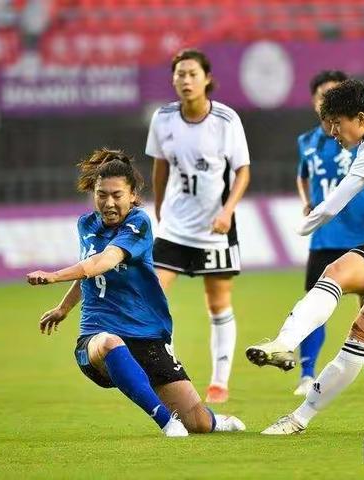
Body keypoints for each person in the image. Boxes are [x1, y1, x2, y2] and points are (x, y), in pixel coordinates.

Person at [27, 148, 245, 437]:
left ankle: (215, 420)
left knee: (199, 424)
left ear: (132, 195)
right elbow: (89, 270)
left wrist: (53, 275)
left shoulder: (139, 224)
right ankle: (166, 422)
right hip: (97, 335)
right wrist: (64, 308)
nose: (108, 202)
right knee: (108, 342)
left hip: (147, 336)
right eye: (101, 194)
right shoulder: (86, 224)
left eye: (117, 195)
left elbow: (102, 262)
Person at [246, 79, 364, 434]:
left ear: (359, 117)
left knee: (363, 329)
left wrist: (302, 227)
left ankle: (299, 418)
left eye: (337, 123)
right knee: (336, 270)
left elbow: (332, 206)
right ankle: (284, 343)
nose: (333, 132)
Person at [145, 49, 251, 403]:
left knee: (218, 303)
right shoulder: (162, 119)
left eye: (191, 73)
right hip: (175, 226)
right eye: (179, 74)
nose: (185, 80)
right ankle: (169, 370)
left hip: (214, 229)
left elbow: (242, 171)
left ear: (206, 78)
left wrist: (228, 211)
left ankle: (219, 381)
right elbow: (160, 167)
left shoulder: (226, 119)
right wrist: (159, 207)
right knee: (151, 296)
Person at [294, 70, 364, 396]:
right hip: (325, 237)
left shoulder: (361, 137)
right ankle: (306, 374)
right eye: (323, 95)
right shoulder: (306, 141)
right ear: (314, 101)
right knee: (314, 304)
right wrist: (307, 201)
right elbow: (303, 175)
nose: (327, 100)